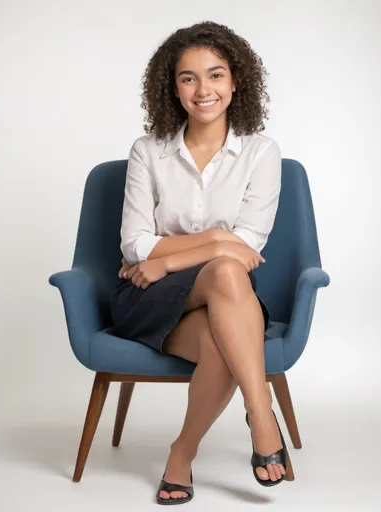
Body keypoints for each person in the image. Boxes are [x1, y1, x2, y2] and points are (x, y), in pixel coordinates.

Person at [109, 21, 289, 505]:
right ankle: (262, 416)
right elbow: (134, 246)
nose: (203, 89)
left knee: (225, 329)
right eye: (188, 78)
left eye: (215, 75)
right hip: (144, 297)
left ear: (235, 82)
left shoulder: (260, 153)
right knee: (227, 269)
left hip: (211, 297)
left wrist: (169, 260)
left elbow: (246, 245)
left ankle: (181, 454)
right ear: (172, 87)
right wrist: (214, 240)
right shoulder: (148, 152)